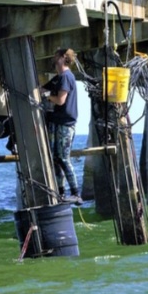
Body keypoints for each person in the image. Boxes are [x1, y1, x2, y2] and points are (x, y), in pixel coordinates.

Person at [41, 48, 81, 204]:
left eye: (56, 56)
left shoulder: (66, 77)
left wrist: (46, 96)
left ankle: (76, 193)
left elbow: (60, 101)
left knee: (63, 158)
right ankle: (61, 192)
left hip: (65, 123)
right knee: (55, 159)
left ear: (63, 58)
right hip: (55, 122)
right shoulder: (58, 78)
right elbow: (42, 89)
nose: (53, 58)